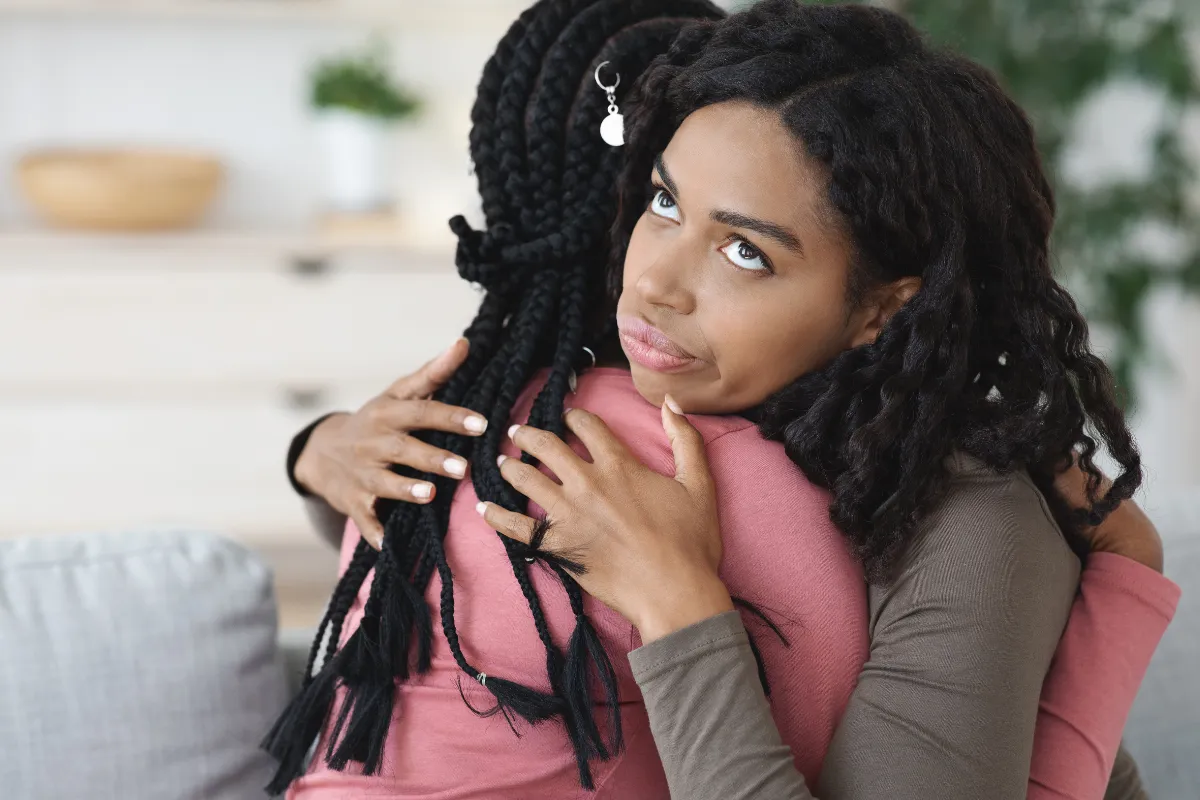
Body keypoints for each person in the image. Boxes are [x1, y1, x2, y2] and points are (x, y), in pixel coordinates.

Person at [266, 2, 1182, 798]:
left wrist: (678, 608)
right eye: (664, 203)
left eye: (746, 251)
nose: (655, 281)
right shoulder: (576, 389)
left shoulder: (967, 516)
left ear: (883, 307)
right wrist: (321, 454)